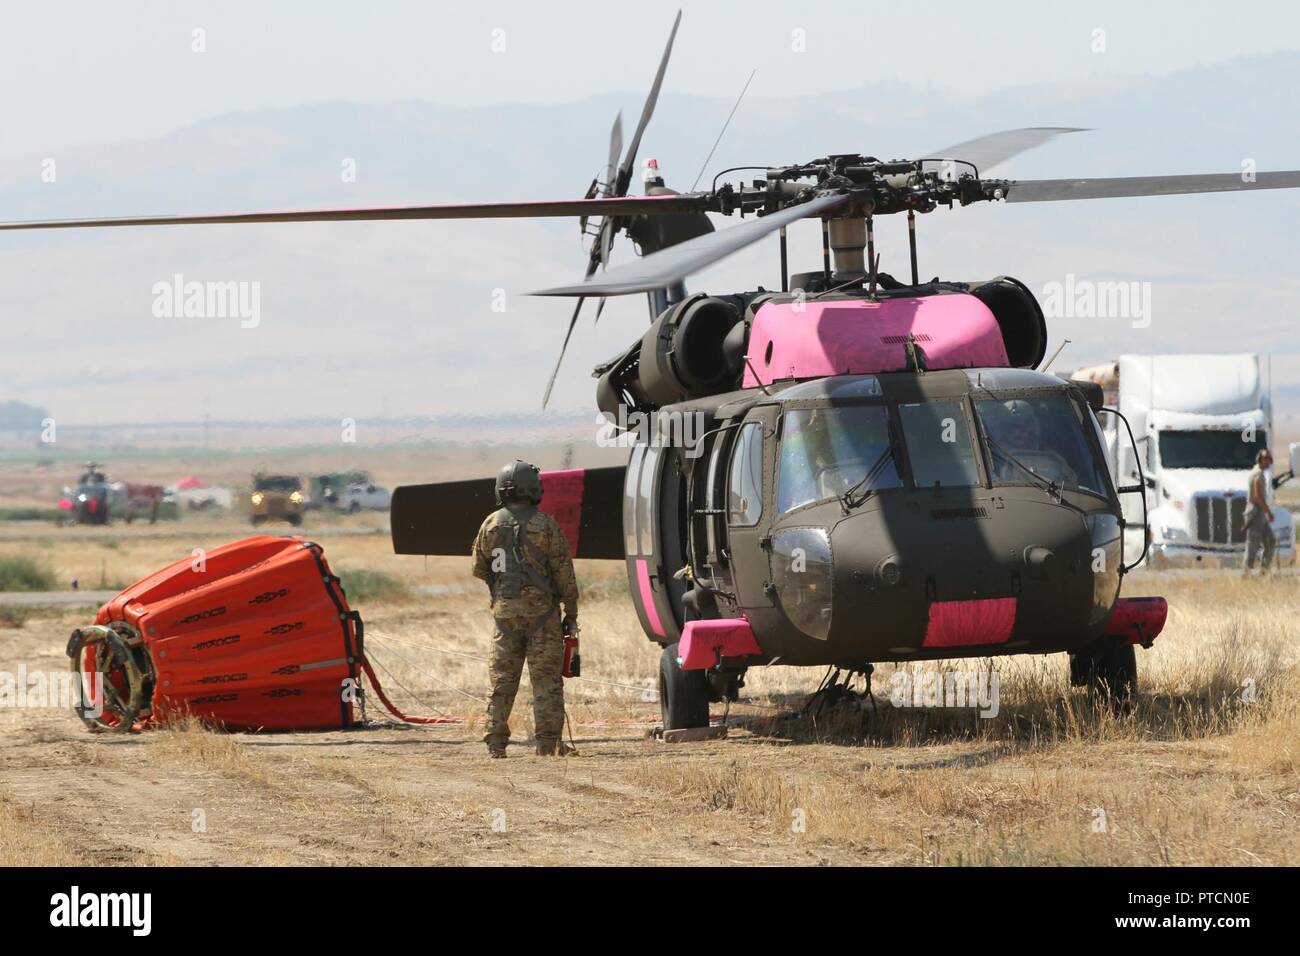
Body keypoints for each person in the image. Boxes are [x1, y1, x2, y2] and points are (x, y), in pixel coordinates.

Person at [471, 460, 579, 757]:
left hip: (504, 617)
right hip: (543, 618)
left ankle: (495, 743)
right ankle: (547, 744)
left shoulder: (490, 524)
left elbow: (480, 569)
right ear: (534, 489)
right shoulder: (546, 524)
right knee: (546, 681)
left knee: (502, 682)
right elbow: (563, 573)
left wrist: (503, 592)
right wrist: (571, 612)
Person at [1243, 448, 1276, 577]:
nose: (1269, 462)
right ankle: (1246, 573)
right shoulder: (1257, 475)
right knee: (1253, 544)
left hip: (1260, 513)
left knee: (1270, 540)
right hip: (1256, 512)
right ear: (1261, 459)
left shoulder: (1258, 472)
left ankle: (1264, 570)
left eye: (1270, 459)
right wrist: (1268, 512)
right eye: (1267, 459)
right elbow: (1258, 497)